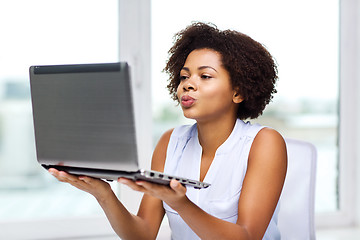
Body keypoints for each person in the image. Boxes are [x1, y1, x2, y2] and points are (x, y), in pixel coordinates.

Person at [49, 22, 287, 240]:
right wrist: (103, 193)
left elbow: (247, 236)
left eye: (205, 76)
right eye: (184, 76)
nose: (188, 84)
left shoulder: (264, 142)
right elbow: (142, 234)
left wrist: (180, 203)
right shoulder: (171, 142)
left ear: (238, 92)